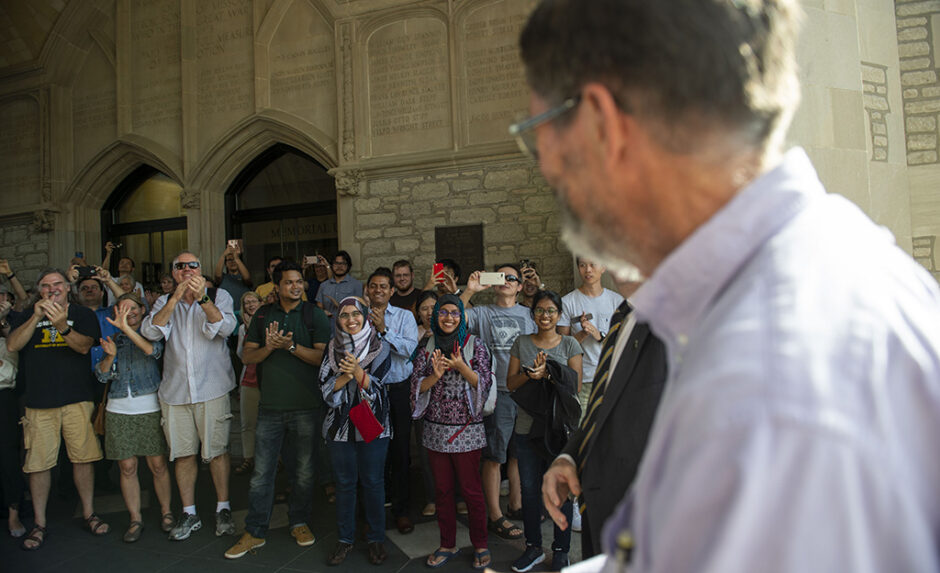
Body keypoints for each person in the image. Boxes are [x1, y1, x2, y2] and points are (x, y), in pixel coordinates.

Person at [518, 1, 940, 572]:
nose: (545, 169)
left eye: (538, 134)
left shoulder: (758, 395)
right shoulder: (850, 262)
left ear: (600, 123)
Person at [544, 278, 667, 559]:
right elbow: (602, 406)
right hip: (601, 509)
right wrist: (570, 457)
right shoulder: (622, 318)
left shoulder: (683, 319)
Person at [224, 261, 331, 559]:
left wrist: (291, 347)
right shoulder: (263, 315)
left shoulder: (315, 315)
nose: (295, 286)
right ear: (277, 286)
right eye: (289, 282)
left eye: (299, 282)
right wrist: (271, 347)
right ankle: (255, 531)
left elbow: (323, 358)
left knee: (305, 472)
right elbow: (248, 356)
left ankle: (299, 521)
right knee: (262, 473)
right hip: (270, 408)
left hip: (306, 407)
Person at [5, 268, 108, 550]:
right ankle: (40, 523)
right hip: (39, 402)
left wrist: (62, 326)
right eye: (46, 285)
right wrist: (38, 316)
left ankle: (89, 513)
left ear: (66, 287)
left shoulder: (82, 313)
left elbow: (84, 347)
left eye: (57, 284)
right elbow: (13, 344)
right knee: (38, 465)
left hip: (76, 398)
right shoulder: (28, 314)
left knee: (83, 459)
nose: (52, 289)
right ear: (40, 290)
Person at [141, 251, 238, 541]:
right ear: (173, 274)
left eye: (192, 265)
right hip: (176, 392)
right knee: (183, 455)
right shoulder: (163, 301)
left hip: (212, 388)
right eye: (179, 266)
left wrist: (201, 299)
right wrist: (173, 300)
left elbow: (225, 328)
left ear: (200, 270)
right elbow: (151, 331)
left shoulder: (218, 295)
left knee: (217, 451)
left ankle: (223, 508)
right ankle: (189, 512)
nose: (186, 270)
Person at [411, 294, 493, 569]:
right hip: (435, 431)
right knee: (443, 491)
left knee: (471, 491)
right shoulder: (427, 346)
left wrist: (460, 366)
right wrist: (435, 375)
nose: (448, 317)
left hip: (467, 432)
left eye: (454, 313)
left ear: (462, 316)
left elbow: (485, 383)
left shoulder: (475, 345)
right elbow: (416, 388)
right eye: (443, 312)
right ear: (435, 316)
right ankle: (448, 543)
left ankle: (480, 543)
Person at [506, 290, 582, 572]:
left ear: (559, 315)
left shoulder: (571, 344)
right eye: (540, 310)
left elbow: (574, 387)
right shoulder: (522, 342)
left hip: (557, 430)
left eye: (551, 310)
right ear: (532, 313)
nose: (545, 316)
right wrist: (529, 374)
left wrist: (549, 372)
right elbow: (511, 383)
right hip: (526, 428)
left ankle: (561, 550)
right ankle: (533, 547)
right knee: (529, 491)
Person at [460, 264, 534, 541]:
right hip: (497, 393)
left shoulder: (528, 314)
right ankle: (495, 515)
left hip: (525, 392)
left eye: (511, 277)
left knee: (517, 452)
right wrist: (469, 290)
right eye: (500, 276)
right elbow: (453, 317)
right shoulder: (482, 313)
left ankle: (515, 504)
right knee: (494, 455)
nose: (506, 281)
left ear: (518, 285)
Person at [319, 296, 391, 566]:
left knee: (373, 483)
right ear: (337, 319)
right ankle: (345, 539)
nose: (351, 320)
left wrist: (359, 372)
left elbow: (381, 386)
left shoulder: (379, 347)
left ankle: (375, 539)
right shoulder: (331, 349)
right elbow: (324, 386)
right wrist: (347, 375)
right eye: (344, 315)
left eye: (355, 314)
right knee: (345, 484)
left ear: (365, 316)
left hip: (373, 426)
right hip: (340, 428)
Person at [95, 294, 173, 542]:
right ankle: (135, 518)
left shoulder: (151, 335)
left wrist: (127, 330)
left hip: (149, 407)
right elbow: (102, 377)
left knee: (158, 465)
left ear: (143, 311)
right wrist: (109, 356)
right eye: (122, 310)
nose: (128, 314)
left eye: (133, 309)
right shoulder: (113, 339)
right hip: (118, 409)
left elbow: (152, 352)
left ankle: (167, 512)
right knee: (127, 467)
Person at [365, 267, 419, 534]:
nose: (378, 291)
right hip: (365, 393)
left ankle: (401, 510)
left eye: (383, 286)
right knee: (370, 451)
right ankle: (372, 512)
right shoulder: (354, 316)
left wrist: (384, 330)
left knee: (400, 451)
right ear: (367, 289)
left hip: (398, 390)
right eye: (373, 286)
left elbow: (410, 350)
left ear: (391, 291)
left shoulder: (405, 316)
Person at [557, 258, 624, 409]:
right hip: (583, 377)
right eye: (582, 265)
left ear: (604, 267)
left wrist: (599, 336)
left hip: (612, 375)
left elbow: (623, 340)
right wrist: (582, 334)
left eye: (593, 264)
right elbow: (562, 347)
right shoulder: (567, 302)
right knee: (584, 428)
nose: (588, 270)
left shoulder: (616, 301)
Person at [412, 289, 439, 517]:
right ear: (417, 312)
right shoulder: (413, 333)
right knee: (425, 449)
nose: (430, 312)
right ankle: (432, 497)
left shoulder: (450, 330)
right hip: (422, 398)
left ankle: (458, 496)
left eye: (433, 307)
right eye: (424, 308)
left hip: (448, 400)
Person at [0, 298, 26, 539]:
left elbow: (10, 374)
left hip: (3, 401)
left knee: (8, 458)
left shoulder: (5, 341)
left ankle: (13, 514)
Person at [233, 291, 263, 476]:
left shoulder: (268, 322)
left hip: (265, 379)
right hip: (248, 379)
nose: (250, 305)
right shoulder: (243, 328)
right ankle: (248, 458)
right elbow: (241, 354)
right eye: (246, 303)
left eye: (254, 301)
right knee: (247, 423)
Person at [316, 251, 363, 318]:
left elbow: (360, 308)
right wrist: (322, 312)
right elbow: (319, 307)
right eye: (336, 263)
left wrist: (340, 307)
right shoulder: (323, 285)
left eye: (343, 263)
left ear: (348, 266)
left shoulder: (356, 284)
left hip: (348, 324)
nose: (339, 266)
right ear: (332, 265)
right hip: (327, 324)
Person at [213, 242, 252, 312]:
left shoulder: (243, 277)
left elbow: (247, 278)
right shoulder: (223, 278)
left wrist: (236, 258)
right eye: (229, 260)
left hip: (243, 314)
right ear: (226, 264)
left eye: (234, 260)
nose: (232, 262)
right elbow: (217, 276)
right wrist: (223, 255)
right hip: (226, 314)